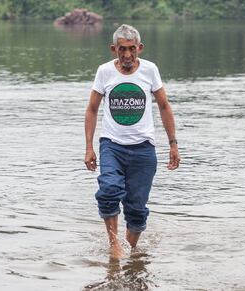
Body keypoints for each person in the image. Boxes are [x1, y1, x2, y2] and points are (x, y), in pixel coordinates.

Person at [84, 24, 180, 259]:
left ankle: (129, 251)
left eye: (132, 49)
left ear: (140, 48)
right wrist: (89, 147)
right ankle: (114, 246)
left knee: (137, 210)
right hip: (112, 145)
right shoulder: (105, 72)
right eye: (122, 49)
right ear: (113, 48)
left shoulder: (150, 70)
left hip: (144, 149)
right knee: (109, 191)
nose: (127, 55)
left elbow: (165, 106)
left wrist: (173, 144)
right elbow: (92, 109)